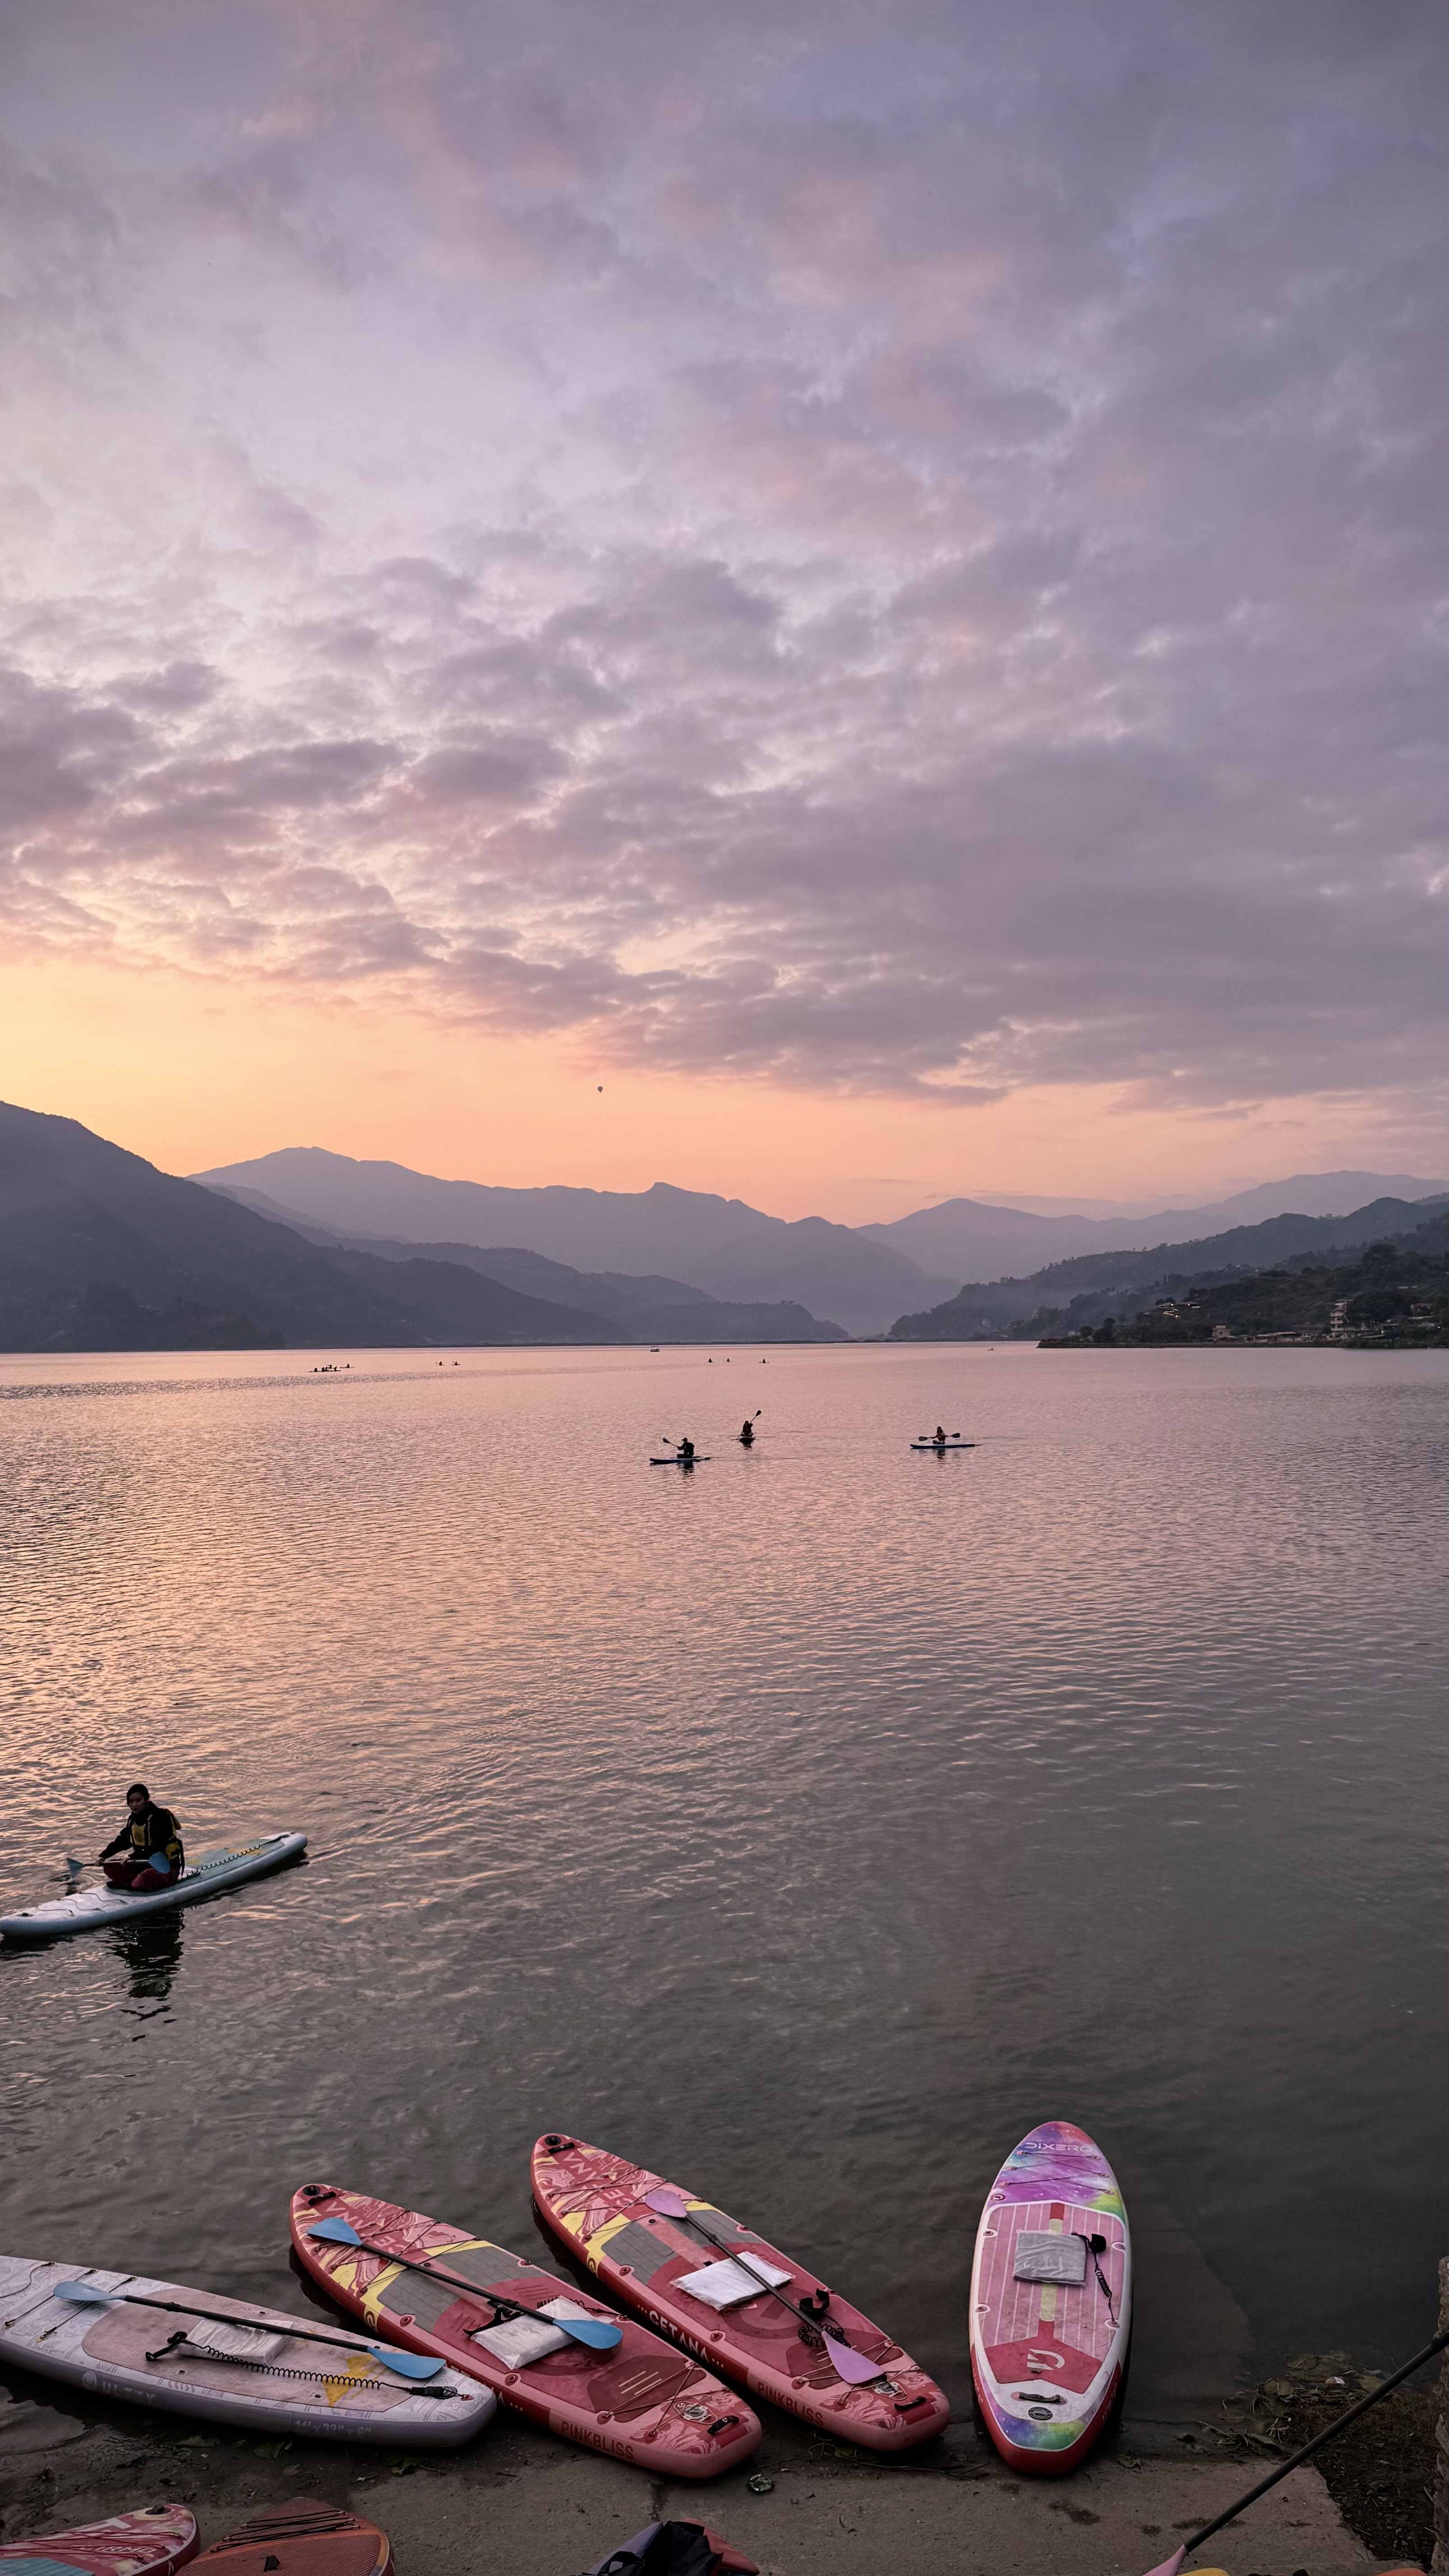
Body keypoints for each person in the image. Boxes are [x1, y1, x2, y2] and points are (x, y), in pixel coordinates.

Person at [99, 1784, 185, 1891]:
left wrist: (132, 1856)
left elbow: (157, 1848)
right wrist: (104, 1856)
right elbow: (123, 1841)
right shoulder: (133, 1819)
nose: (134, 1805)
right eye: (131, 1802)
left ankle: (133, 1884)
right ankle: (135, 1881)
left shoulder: (159, 1817)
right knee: (110, 1867)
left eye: (138, 1801)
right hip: (143, 1865)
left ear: (146, 1800)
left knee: (145, 1877)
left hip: (166, 1868)